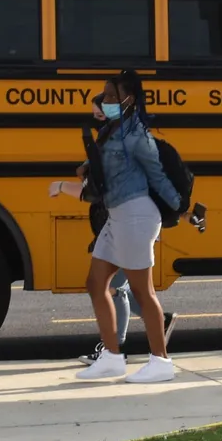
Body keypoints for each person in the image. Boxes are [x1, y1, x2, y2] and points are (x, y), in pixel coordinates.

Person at [55, 98, 179, 367]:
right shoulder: (111, 136)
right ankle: (122, 348)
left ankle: (118, 351)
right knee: (113, 285)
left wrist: (66, 184)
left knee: (117, 287)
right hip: (119, 222)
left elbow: (100, 187)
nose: (96, 112)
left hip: (133, 222)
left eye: (101, 105)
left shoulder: (123, 140)